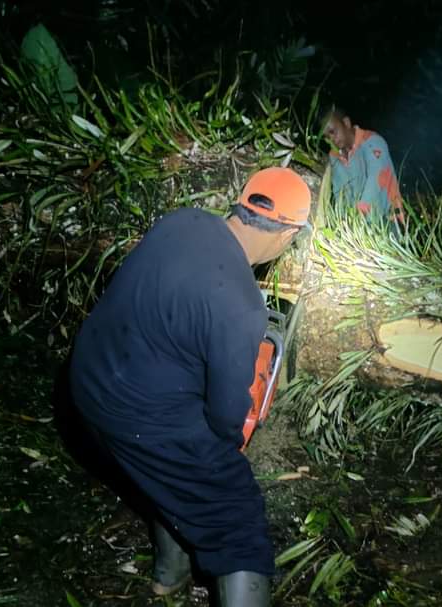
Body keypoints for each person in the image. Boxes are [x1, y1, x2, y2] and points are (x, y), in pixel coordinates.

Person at [68, 167, 312, 607]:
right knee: (236, 518)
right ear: (286, 236)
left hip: (87, 383)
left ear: (243, 203)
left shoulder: (181, 221)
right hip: (135, 412)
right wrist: (231, 431)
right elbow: (225, 418)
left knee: (166, 477)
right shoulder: (241, 304)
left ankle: (169, 575)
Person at [323, 106, 407, 227]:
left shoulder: (372, 141)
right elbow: (339, 192)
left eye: (332, 131)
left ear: (346, 123)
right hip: (359, 226)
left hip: (388, 220)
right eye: (326, 137)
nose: (331, 139)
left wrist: (358, 215)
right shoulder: (334, 156)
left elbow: (376, 179)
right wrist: (342, 221)